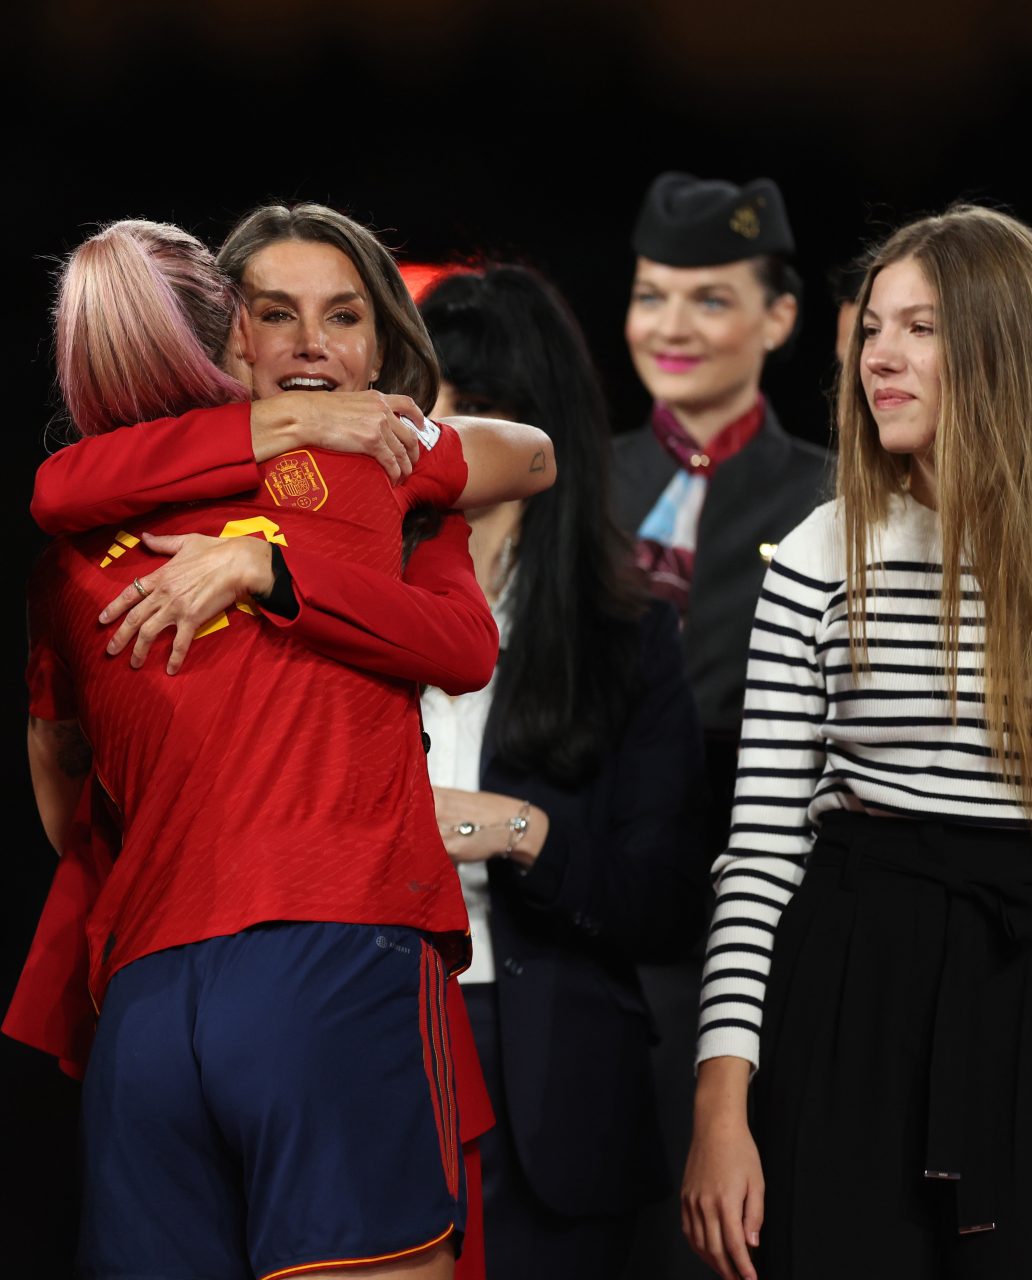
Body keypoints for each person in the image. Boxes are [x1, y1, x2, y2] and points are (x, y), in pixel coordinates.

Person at [25, 208, 556, 1280]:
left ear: (381, 340)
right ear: (228, 340)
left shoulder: (72, 542)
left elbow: (59, 786)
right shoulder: (367, 467)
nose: (312, 344)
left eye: (343, 316)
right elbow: (534, 465)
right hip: (333, 963)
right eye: (277, 315)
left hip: (144, 1004)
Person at [681, 205, 1032, 1280]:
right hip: (851, 988)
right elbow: (761, 848)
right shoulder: (824, 547)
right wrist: (721, 1103)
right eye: (873, 328)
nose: (882, 356)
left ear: (1010, 345)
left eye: (923, 327)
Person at [414, 263, 710, 1276]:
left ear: (545, 436)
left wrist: (518, 829)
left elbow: (669, 901)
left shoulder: (626, 638)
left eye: (482, 406)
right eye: (428, 403)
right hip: (372, 1035)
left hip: (550, 1077)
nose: (447, 436)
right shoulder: (341, 606)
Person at [609, 172, 828, 1280]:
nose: (673, 327)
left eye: (709, 298)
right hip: (591, 943)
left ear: (780, 318)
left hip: (755, 950)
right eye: (652, 296)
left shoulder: (835, 505)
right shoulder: (571, 487)